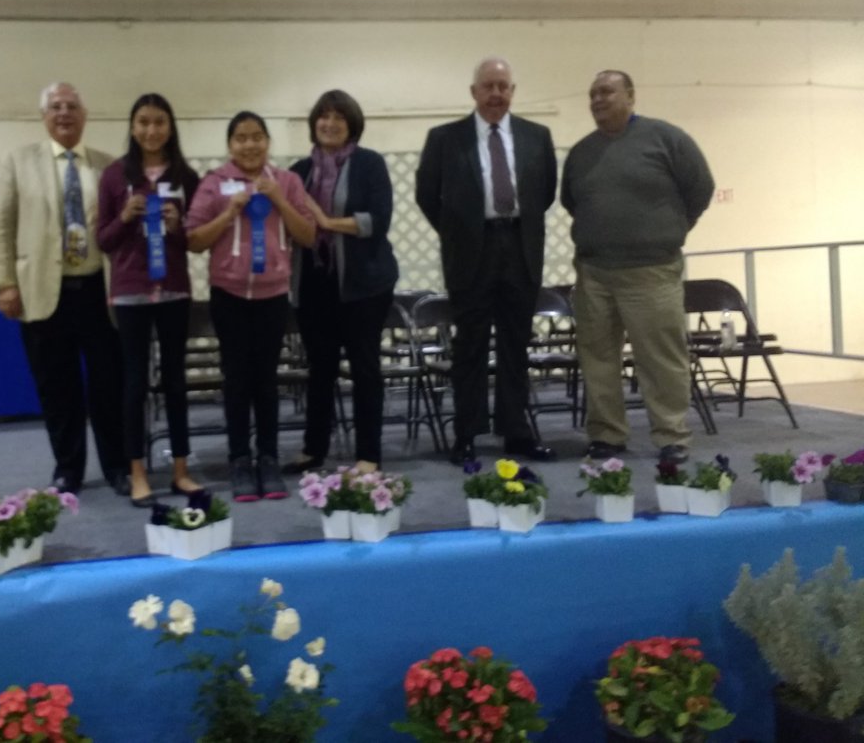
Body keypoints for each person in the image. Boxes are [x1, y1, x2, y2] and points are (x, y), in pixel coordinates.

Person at [561, 69, 714, 464]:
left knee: (661, 359)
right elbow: (572, 202)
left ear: (630, 96)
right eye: (593, 93)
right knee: (597, 359)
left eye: (607, 92)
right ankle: (607, 435)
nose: (598, 99)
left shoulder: (667, 139)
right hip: (594, 272)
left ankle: (671, 436)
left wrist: (671, 228)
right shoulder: (581, 153)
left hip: (652, 271)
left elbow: (700, 188)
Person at [0, 82, 129, 496]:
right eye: (55, 107)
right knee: (57, 387)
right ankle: (68, 469)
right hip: (41, 293)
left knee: (109, 385)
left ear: (85, 116)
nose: (64, 113)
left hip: (100, 293)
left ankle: (117, 466)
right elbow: (1, 225)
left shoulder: (109, 166)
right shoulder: (18, 161)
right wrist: (4, 283)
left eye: (72, 106)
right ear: (44, 116)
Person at [415, 57, 559, 464]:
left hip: (520, 248)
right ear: (474, 92)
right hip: (470, 254)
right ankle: (467, 435)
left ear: (513, 91)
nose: (496, 93)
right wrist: (459, 232)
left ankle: (516, 433)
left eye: (503, 86)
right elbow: (427, 195)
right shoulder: (445, 138)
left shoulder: (537, 136)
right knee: (470, 347)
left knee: (516, 345)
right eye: (488, 86)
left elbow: (544, 192)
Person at [185, 111, 315, 502]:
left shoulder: (288, 182)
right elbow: (193, 239)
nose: (250, 144)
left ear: (267, 142)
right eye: (241, 138)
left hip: (273, 295)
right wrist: (228, 213)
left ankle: (269, 459)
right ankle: (239, 460)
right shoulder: (214, 184)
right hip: (229, 295)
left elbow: (308, 235)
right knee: (236, 381)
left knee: (266, 381)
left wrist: (278, 200)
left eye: (257, 136)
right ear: (230, 145)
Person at [283, 90, 399, 476]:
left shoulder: (370, 164)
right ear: (314, 123)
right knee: (320, 370)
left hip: (364, 285)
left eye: (338, 117)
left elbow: (377, 221)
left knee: (365, 369)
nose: (329, 123)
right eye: (323, 116)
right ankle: (313, 449)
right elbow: (290, 222)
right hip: (314, 284)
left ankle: (368, 454)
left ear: (352, 125)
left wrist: (329, 223)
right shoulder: (299, 171)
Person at [96, 93, 204, 508]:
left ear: (171, 127)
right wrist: (124, 218)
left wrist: (177, 227)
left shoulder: (187, 178)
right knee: (134, 384)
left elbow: (195, 241)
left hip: (174, 290)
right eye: (143, 122)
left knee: (176, 383)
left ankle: (181, 469)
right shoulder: (113, 177)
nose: (151, 130)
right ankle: (137, 470)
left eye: (159, 122)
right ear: (132, 127)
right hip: (130, 292)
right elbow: (103, 241)